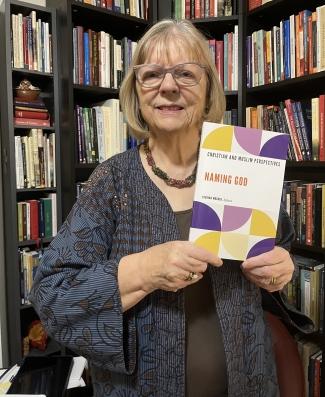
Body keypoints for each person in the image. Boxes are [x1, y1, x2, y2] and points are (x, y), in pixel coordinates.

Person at [30, 19, 296, 396]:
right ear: (137, 92)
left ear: (207, 92)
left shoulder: (243, 163)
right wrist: (144, 269)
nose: (168, 86)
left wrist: (281, 267)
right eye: (152, 74)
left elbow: (279, 252)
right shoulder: (112, 181)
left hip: (248, 382)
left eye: (185, 73)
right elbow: (52, 294)